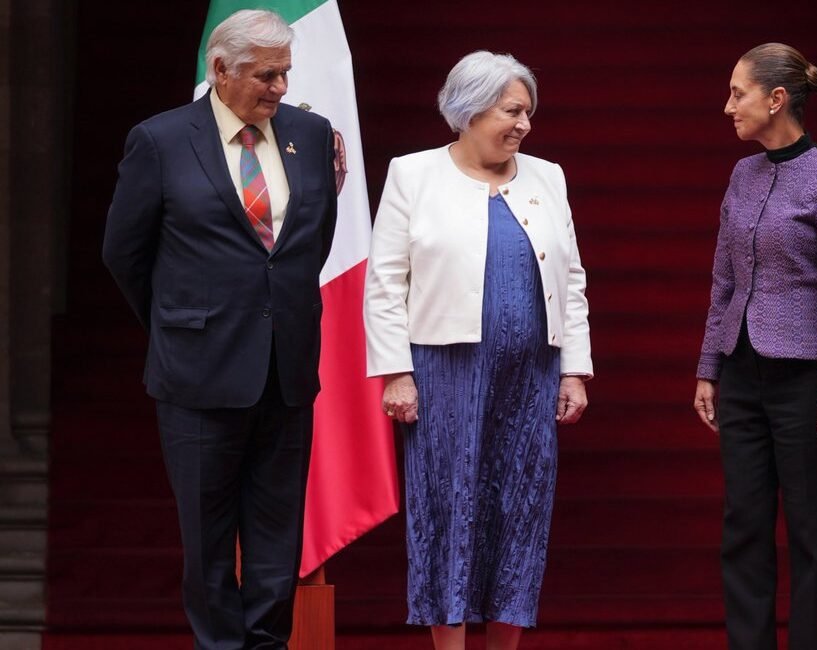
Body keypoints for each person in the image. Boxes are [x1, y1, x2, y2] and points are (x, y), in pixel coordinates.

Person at [101, 10, 337, 649]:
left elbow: (311, 242)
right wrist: (183, 323)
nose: (280, 88)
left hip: (286, 369)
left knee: (277, 537)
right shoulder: (160, 140)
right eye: (266, 75)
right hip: (198, 374)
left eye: (285, 73)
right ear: (220, 69)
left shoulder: (312, 134)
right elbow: (124, 252)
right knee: (207, 542)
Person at [363, 51, 593, 650]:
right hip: (444, 374)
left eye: (528, 112)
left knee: (521, 509)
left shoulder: (548, 176)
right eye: (512, 111)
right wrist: (396, 373)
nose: (524, 124)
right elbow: (385, 281)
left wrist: (574, 370)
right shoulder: (412, 174)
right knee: (447, 509)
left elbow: (571, 280)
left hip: (531, 375)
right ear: (469, 111)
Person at [692, 43, 817, 650]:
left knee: (811, 534)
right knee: (743, 525)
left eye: (737, 93)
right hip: (741, 373)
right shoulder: (743, 175)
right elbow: (724, 280)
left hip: (805, 383)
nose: (728, 106)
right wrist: (709, 367)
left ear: (776, 99)